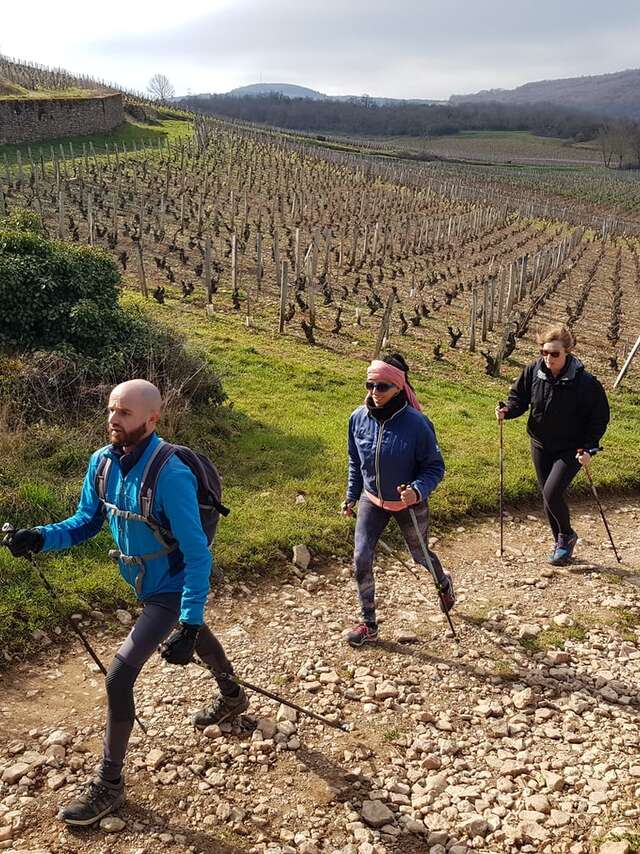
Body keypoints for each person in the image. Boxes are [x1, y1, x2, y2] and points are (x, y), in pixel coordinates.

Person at [3, 379, 247, 826]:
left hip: (168, 588)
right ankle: (232, 696)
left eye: (126, 413)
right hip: (143, 582)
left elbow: (197, 555)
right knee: (195, 638)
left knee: (119, 677)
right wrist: (41, 537)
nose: (114, 420)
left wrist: (188, 620)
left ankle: (109, 785)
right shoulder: (101, 464)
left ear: (153, 420)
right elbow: (84, 522)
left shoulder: (170, 475)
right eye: (112, 410)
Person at [342, 354, 454, 647]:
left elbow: (435, 467)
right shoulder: (357, 419)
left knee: (419, 555)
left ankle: (442, 582)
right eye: (370, 385)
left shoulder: (418, 424)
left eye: (382, 387)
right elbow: (355, 461)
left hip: (409, 503)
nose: (374, 393)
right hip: (373, 500)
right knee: (361, 556)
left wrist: (417, 490)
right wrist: (352, 495)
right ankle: (368, 623)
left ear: (398, 388)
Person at [496, 324, 610, 565]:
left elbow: (598, 417)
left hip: (572, 448)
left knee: (551, 492)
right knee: (548, 496)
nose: (548, 358)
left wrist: (590, 447)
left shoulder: (585, 383)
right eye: (544, 352)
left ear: (567, 352)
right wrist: (507, 410)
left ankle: (566, 536)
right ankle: (560, 541)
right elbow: (519, 398)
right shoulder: (534, 370)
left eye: (555, 354)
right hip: (540, 443)